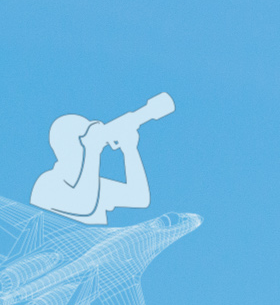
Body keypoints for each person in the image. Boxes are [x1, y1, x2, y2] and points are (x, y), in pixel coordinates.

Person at [28, 93, 172, 225]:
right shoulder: (47, 184)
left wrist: (130, 150)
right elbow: (83, 205)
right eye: (86, 136)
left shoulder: (95, 186)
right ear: (68, 144)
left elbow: (139, 198)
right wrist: (92, 150)